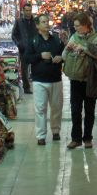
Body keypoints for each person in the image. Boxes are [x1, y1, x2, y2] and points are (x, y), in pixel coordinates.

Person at [62, 12, 97, 149]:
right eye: (74, 26)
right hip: (75, 79)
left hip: (89, 79)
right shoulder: (74, 36)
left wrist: (84, 48)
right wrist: (68, 49)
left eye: (78, 26)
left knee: (89, 110)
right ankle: (76, 138)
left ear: (86, 25)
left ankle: (88, 138)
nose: (76, 29)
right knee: (75, 110)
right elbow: (64, 55)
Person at [25, 14, 65, 145]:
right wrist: (40, 56)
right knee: (40, 109)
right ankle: (41, 135)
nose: (46, 24)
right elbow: (27, 58)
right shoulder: (33, 41)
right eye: (43, 22)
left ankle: (56, 131)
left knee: (56, 108)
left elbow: (63, 53)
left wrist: (60, 58)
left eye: (47, 21)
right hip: (39, 80)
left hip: (55, 79)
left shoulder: (56, 40)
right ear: (37, 26)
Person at [11, 2, 37, 93]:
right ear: (23, 11)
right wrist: (19, 44)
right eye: (26, 10)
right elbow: (14, 35)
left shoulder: (35, 21)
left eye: (29, 10)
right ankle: (26, 88)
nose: (28, 12)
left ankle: (37, 85)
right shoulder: (19, 22)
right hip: (24, 48)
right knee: (24, 69)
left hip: (34, 48)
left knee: (36, 67)